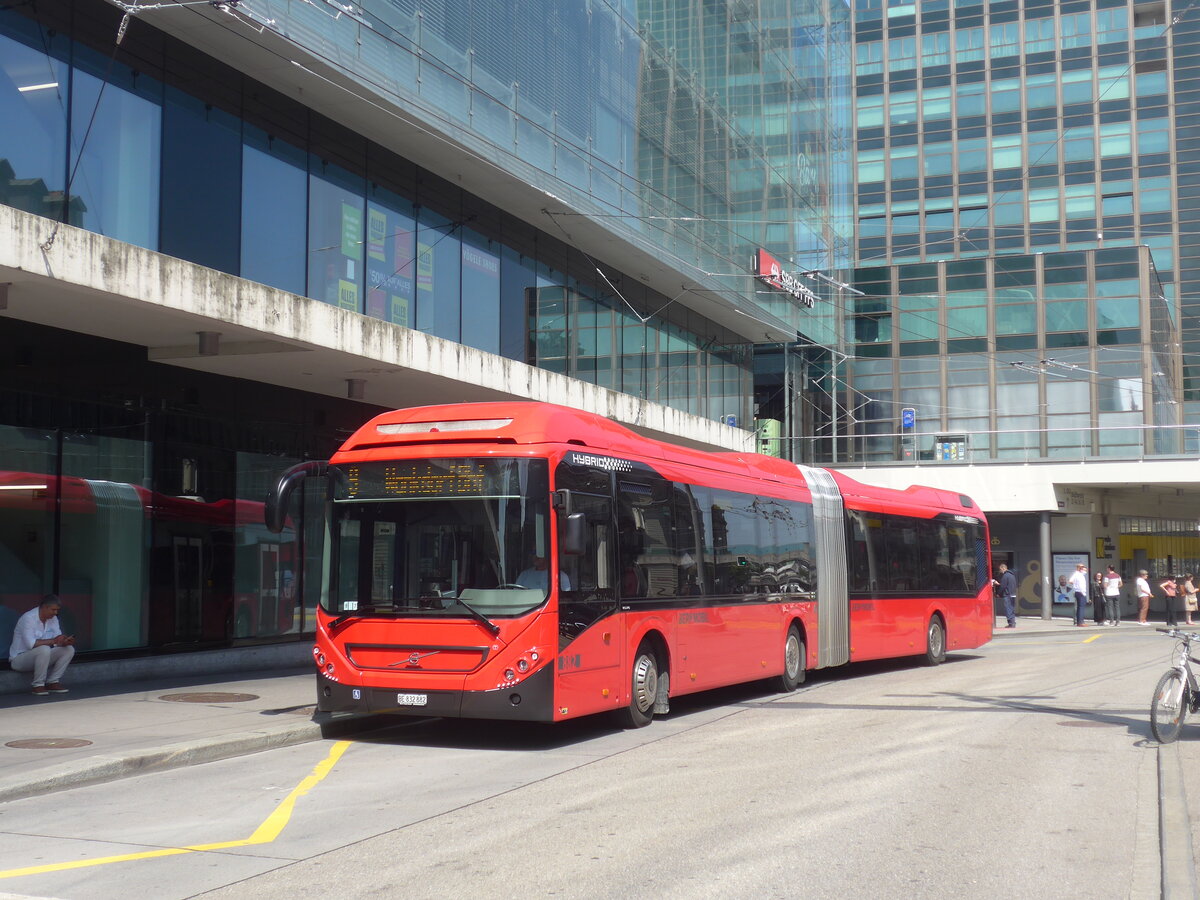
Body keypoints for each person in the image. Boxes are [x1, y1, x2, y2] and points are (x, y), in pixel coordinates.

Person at [8, 594, 76, 697]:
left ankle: (53, 682)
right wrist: (54, 640)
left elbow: (57, 638)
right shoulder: (28, 618)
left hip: (42, 657)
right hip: (19, 660)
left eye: (57, 610)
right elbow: (31, 644)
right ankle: (38, 685)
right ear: (44, 607)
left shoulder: (53, 619)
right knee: (43, 649)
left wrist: (64, 641)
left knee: (69, 649)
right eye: (53, 610)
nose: (55, 613)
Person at [995, 563, 1018, 629]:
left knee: (1008, 609)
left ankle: (1010, 624)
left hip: (1007, 595)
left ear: (1003, 568)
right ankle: (1013, 623)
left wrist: (998, 593)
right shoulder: (1012, 575)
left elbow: (1003, 586)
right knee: (1012, 609)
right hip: (1013, 594)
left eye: (1000, 569)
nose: (1000, 571)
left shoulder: (1005, 576)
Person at [1069, 562, 1089, 627]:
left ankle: (1079, 621)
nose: (1084, 569)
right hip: (1080, 592)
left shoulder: (1078, 574)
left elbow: (1071, 581)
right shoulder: (1078, 574)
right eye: (1082, 568)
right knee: (1081, 607)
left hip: (1078, 592)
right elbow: (1071, 581)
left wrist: (1075, 585)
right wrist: (1078, 588)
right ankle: (1080, 622)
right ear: (1079, 568)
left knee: (1079, 607)